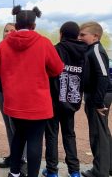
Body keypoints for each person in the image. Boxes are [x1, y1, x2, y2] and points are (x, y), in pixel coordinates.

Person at [0, 5, 64, 177]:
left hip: (14, 101)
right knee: (34, 140)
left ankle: (15, 172)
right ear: (34, 25)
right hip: (38, 102)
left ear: (16, 25)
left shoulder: (3, 45)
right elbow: (57, 69)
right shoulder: (44, 43)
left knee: (18, 136)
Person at [42, 21, 88, 177]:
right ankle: (74, 171)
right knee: (69, 135)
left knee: (51, 135)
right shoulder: (84, 52)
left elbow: (47, 74)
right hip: (72, 101)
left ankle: (52, 171)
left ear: (61, 34)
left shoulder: (56, 50)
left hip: (54, 101)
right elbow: (86, 78)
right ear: (76, 35)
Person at [78, 21, 112, 177]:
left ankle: (100, 172)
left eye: (83, 35)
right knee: (102, 133)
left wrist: (98, 102)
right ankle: (108, 167)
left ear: (95, 36)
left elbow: (103, 76)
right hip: (97, 95)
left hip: (98, 97)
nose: (79, 37)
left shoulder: (96, 50)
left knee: (98, 134)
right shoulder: (91, 49)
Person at [0, 23, 28, 174]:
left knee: (19, 130)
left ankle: (23, 160)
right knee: (9, 128)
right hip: (1, 92)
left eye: (12, 30)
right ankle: (14, 155)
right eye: (6, 31)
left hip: (15, 93)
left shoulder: (20, 47)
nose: (8, 33)